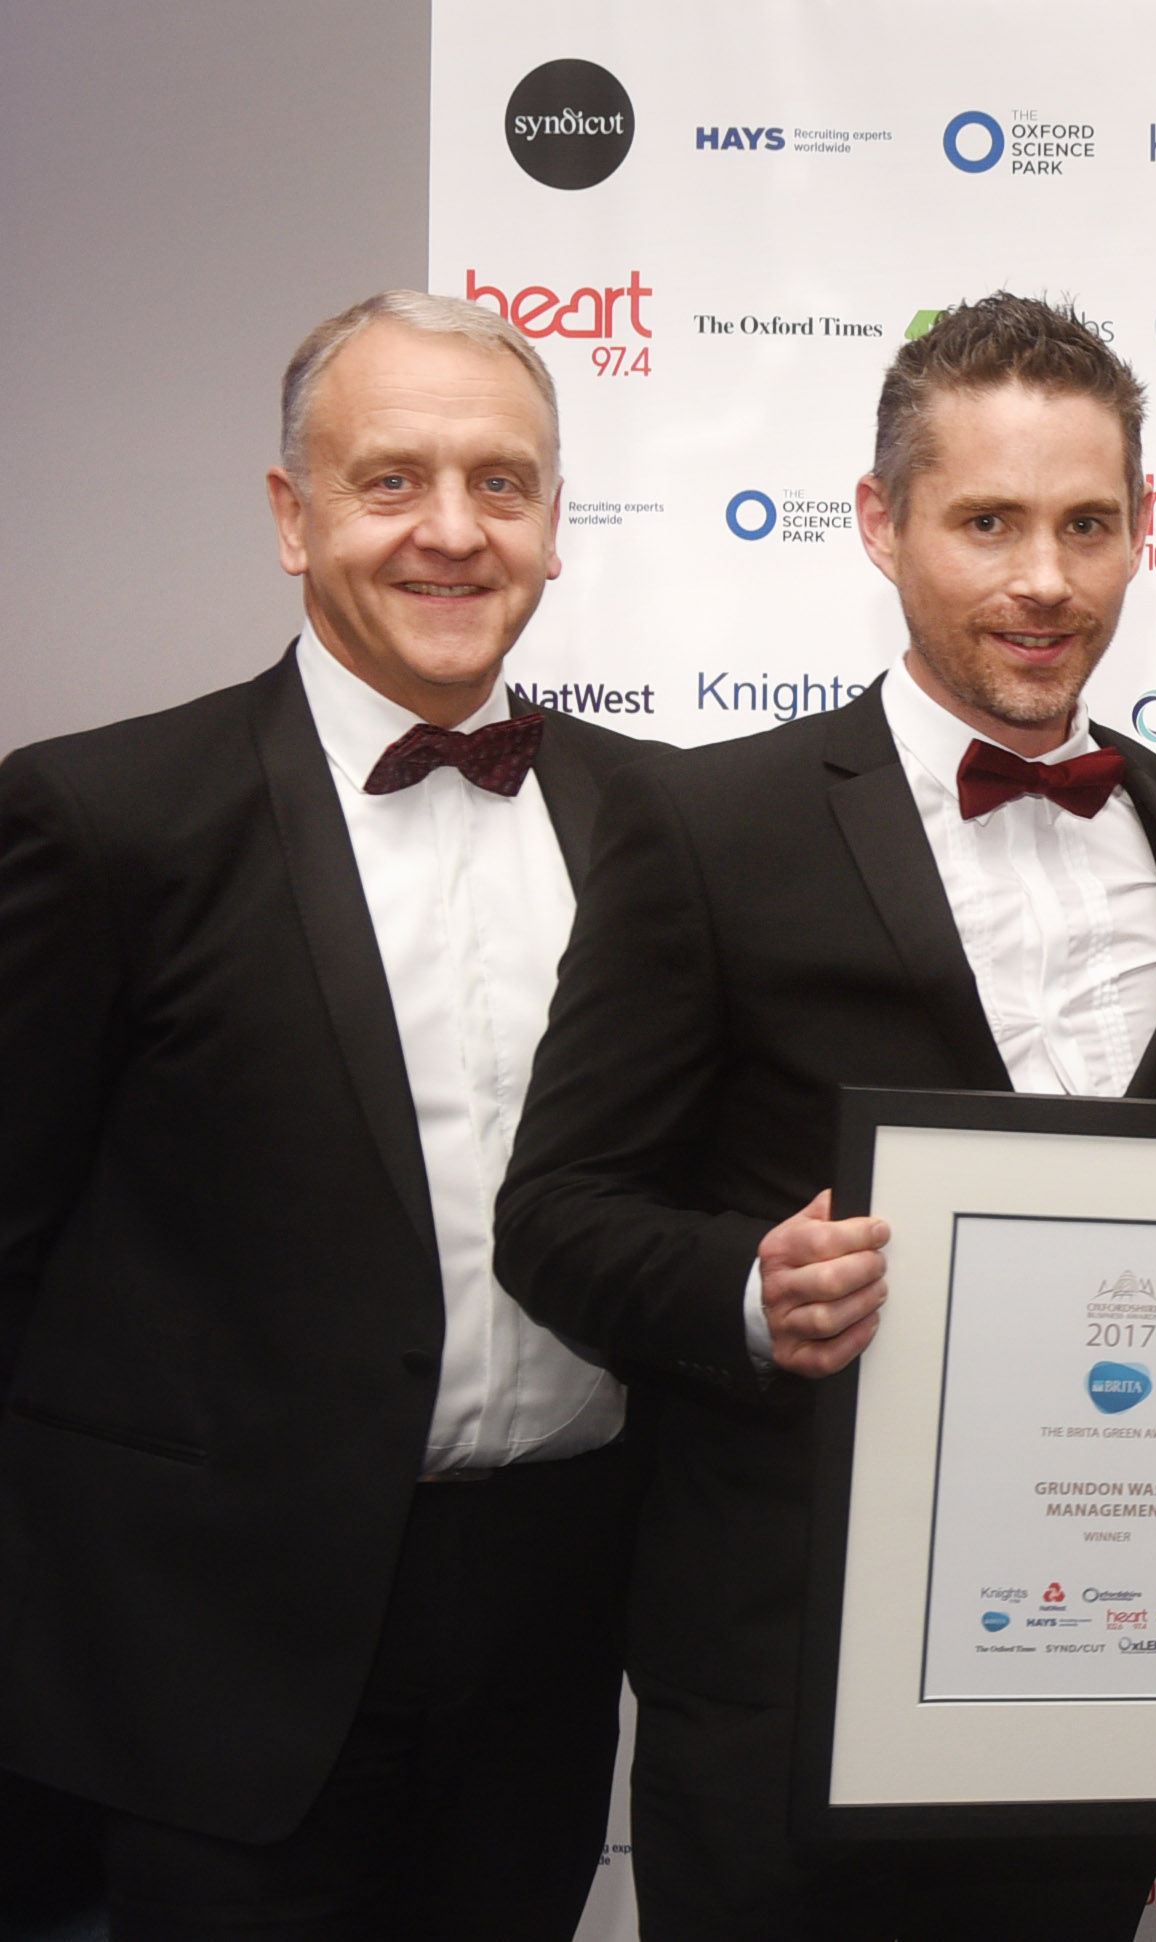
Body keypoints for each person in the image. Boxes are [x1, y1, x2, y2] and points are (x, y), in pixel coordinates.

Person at [493, 294, 1156, 1939]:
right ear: (882, 525)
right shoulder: (705, 820)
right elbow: (556, 1213)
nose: (1044, 577)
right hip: (785, 1675)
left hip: (1093, 1663)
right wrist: (749, 1291)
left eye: (1086, 523)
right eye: (987, 521)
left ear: (1142, 535)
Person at [0, 290, 660, 1938]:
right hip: (208, 1668)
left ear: (556, 525)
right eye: (391, 482)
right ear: (292, 518)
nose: (453, 531)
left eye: (502, 484)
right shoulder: (104, 820)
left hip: (551, 1625)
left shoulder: (656, 819)